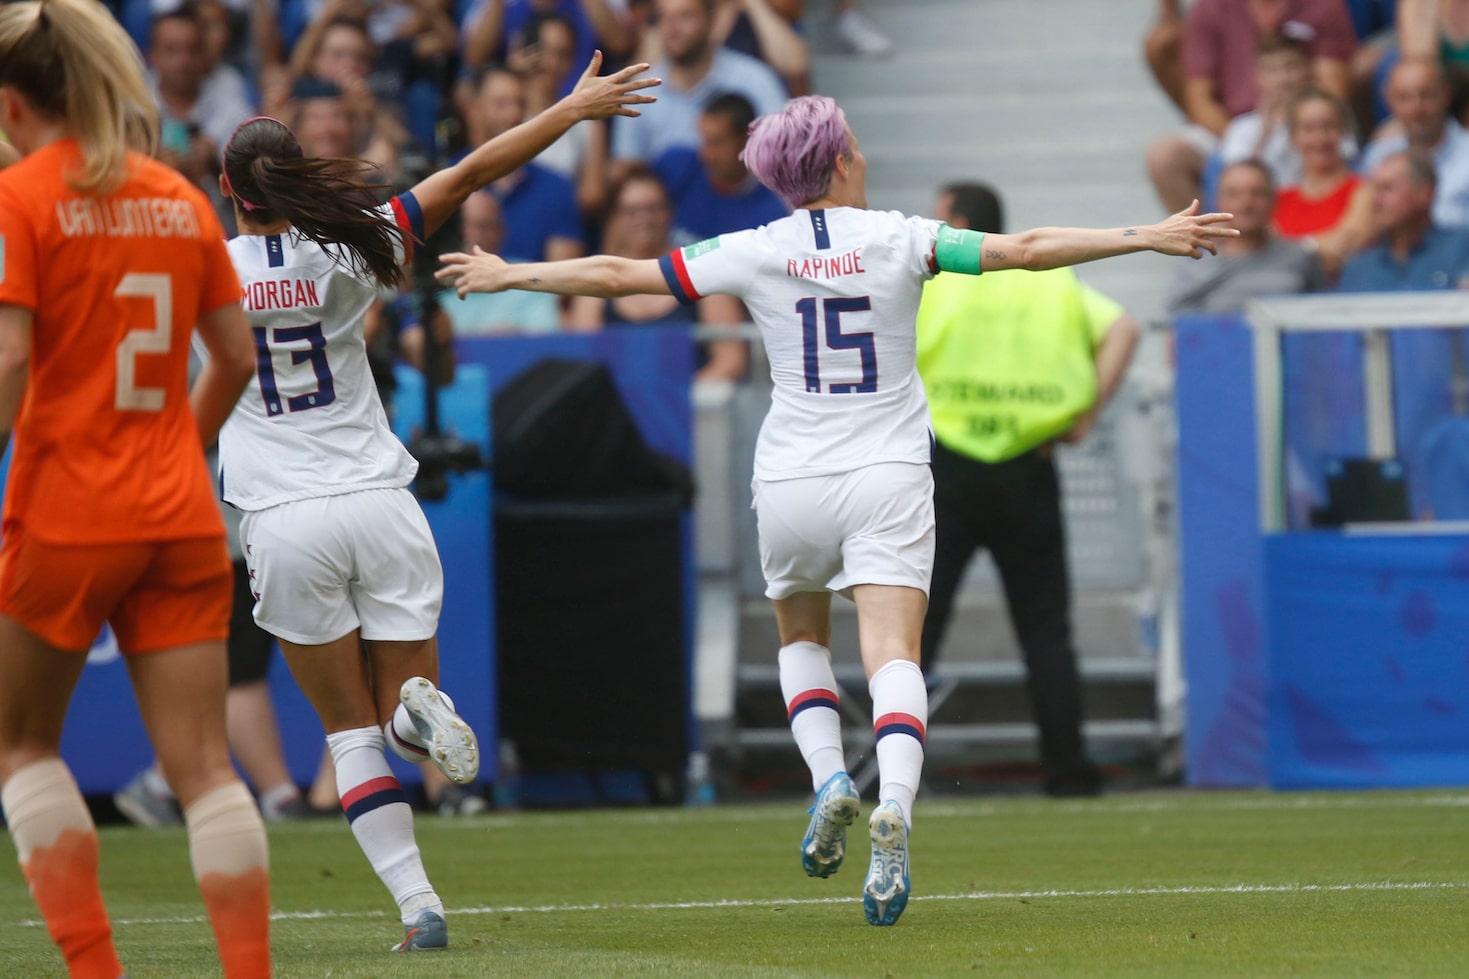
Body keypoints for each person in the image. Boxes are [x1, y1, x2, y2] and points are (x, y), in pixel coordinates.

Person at [440, 93, 1237, 927]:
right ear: (839, 161)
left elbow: (618, 275)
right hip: (885, 469)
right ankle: (893, 803)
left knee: (800, 638)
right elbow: (1029, 250)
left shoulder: (751, 248)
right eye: (852, 143)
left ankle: (828, 780)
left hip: (791, 477)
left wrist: (511, 271)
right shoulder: (903, 238)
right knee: (892, 648)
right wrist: (1142, 235)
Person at [215, 51, 656, 951]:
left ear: (228, 192)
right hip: (378, 499)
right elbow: (473, 169)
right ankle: (418, 707)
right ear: (296, 178)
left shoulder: (204, 274)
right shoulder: (351, 246)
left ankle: (420, 906)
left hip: (282, 514)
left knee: (347, 734)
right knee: (401, 701)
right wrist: (571, 110)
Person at [0, 0, 269, 976]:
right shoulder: (179, 197)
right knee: (204, 771)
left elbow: (9, 358)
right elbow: (234, 358)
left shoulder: (22, 196)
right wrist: (176, 450)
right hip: (180, 513)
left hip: (69, 509)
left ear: (15, 103)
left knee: (22, 744)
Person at [915, 181, 1138, 799]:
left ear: (958, 222)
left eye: (940, 217)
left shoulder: (937, 280)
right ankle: (1066, 771)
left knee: (916, 630)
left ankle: (891, 772)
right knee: (1045, 632)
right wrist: (1086, 411)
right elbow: (1123, 329)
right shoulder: (1050, 278)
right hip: (1027, 466)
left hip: (950, 465)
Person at [1145, 0, 1358, 213]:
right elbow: (1200, 98)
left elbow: (1334, 88)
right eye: (1273, 71)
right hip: (1232, 125)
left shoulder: (1324, 5)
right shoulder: (1211, 7)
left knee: (1321, 143)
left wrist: (1299, 124)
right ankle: (1204, 239)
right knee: (1167, 157)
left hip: (1304, 122)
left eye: (1290, 68)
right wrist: (1248, 136)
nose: (1283, 78)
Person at [566, 166, 748, 380]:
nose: (644, 219)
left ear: (671, 211)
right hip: (615, 408)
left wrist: (679, 398)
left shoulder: (703, 269)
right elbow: (582, 360)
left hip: (693, 406)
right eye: (631, 211)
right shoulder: (595, 281)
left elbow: (731, 358)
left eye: (654, 208)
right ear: (613, 217)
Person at [610, 0, 788, 174]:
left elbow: (782, 152)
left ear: (712, 22)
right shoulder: (640, 90)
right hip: (670, 201)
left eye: (685, 17)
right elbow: (627, 168)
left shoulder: (754, 78)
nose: (672, 29)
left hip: (744, 198)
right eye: (663, 17)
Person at [1167, 159, 1330, 312]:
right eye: (1234, 194)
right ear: (1219, 202)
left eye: (1257, 193)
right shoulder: (1198, 261)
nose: (1246, 203)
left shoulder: (1301, 256)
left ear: (1274, 199)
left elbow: (1324, 314)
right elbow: (1175, 325)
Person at [654, 90, 790, 245]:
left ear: (748, 142)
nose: (706, 154)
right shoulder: (675, 164)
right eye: (704, 140)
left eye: (717, 143)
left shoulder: (770, 215)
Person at [1356, 57, 1469, 227]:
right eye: (1404, 98)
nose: (1416, 108)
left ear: (1446, 95)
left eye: (1426, 95)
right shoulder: (1378, 156)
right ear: (1389, 101)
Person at [1274, 87, 1374, 273]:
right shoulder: (1278, 200)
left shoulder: (1364, 191)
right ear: (1293, 136)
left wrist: (1288, 251)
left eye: (1329, 127)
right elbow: (1267, 255)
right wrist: (1316, 246)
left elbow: (1345, 245)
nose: (1320, 139)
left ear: (1343, 131)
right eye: (1309, 129)